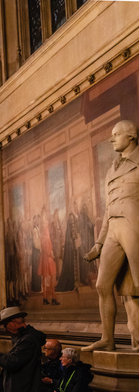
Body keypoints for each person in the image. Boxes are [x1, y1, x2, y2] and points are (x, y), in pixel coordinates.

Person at [83, 120, 139, 351]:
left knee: (138, 284)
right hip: (113, 229)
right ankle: (108, 338)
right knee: (102, 285)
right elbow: (107, 210)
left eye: (116, 134)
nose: (112, 138)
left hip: (133, 225)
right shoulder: (110, 170)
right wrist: (98, 242)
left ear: (131, 136)